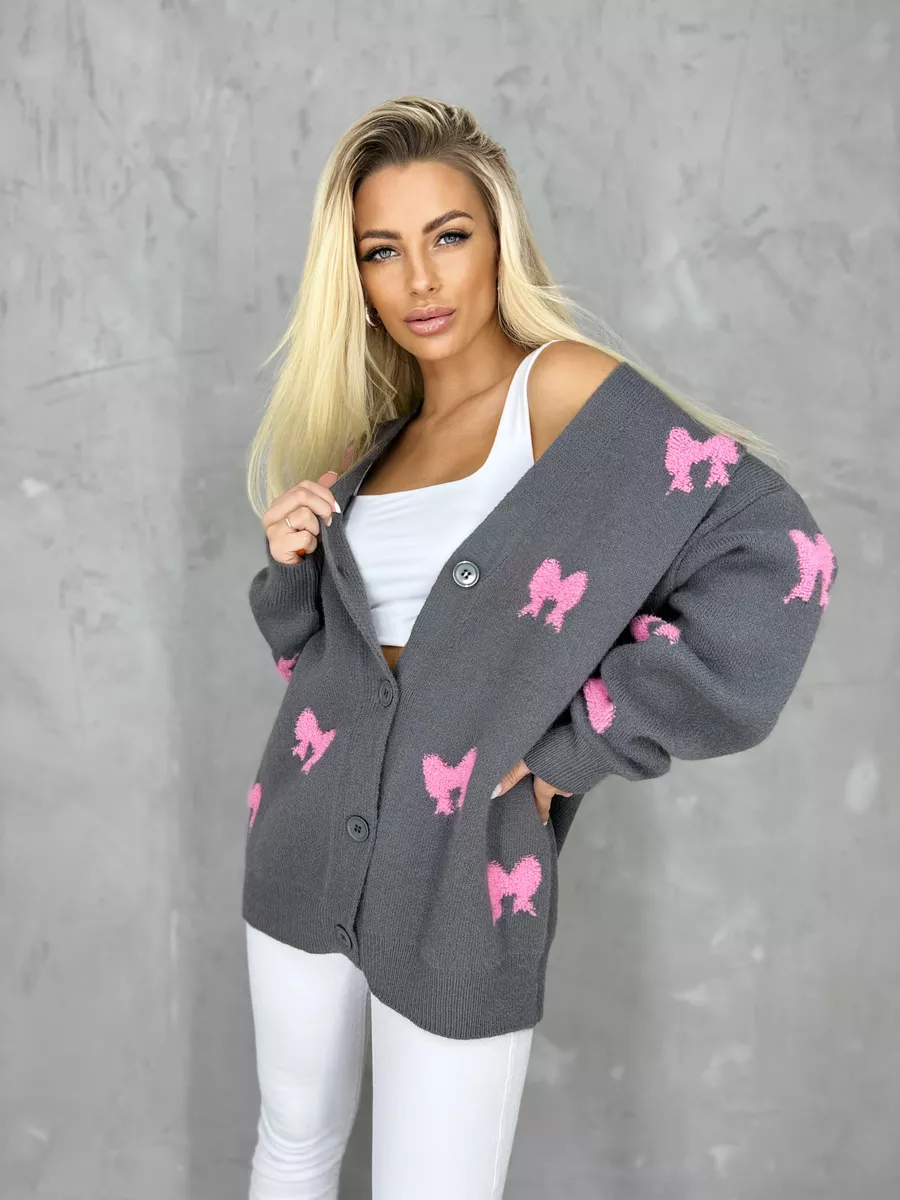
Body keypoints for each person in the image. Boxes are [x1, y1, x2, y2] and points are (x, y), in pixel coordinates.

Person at [241, 96, 838, 1200]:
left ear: (498, 240)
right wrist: (292, 566)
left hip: (465, 872)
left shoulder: (559, 391)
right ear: (355, 277)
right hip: (301, 844)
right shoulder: (376, 445)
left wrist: (586, 740)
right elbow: (318, 680)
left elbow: (778, 554)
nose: (421, 280)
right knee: (293, 1149)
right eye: (383, 250)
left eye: (448, 235)